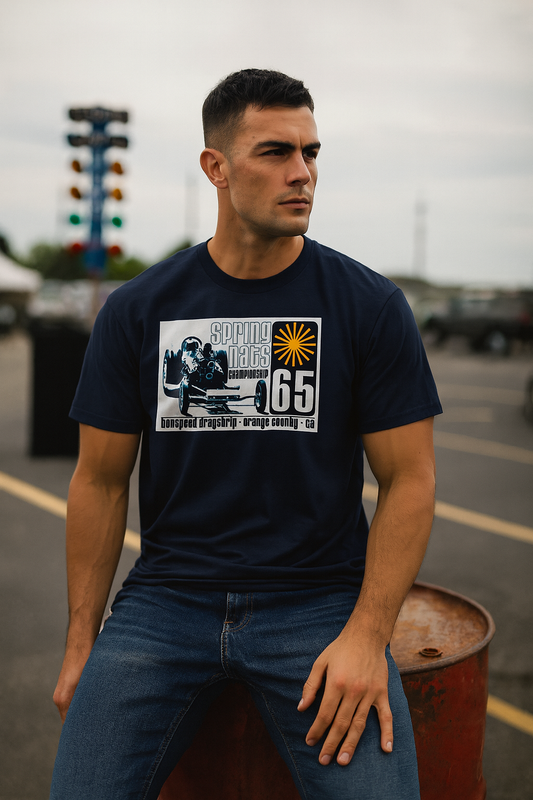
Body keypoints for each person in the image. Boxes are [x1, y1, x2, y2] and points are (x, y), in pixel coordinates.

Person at [50, 68, 442, 800]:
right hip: (165, 602)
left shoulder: (368, 305)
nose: (302, 173)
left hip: (317, 604)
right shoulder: (139, 309)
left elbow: (409, 479)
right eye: (275, 152)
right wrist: (81, 647)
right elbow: (98, 481)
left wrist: (366, 637)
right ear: (217, 167)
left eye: (311, 152)